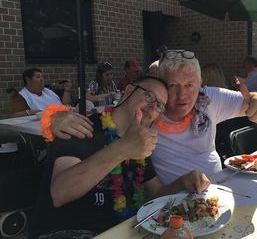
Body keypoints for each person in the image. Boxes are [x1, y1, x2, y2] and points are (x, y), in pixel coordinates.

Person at [43, 49, 257, 185]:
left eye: (190, 85)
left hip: (220, 189)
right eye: (173, 85)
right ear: (160, 84)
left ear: (201, 85)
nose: (182, 95)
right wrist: (53, 118)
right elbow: (108, 119)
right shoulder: (147, 110)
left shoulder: (211, 99)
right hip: (167, 202)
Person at [30, 76, 210, 238]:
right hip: (63, 232)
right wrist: (122, 149)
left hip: (120, 232)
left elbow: (156, 193)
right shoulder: (82, 127)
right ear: (129, 91)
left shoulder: (139, 141)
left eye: (160, 105)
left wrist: (183, 182)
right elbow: (60, 193)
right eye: (149, 96)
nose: (153, 107)